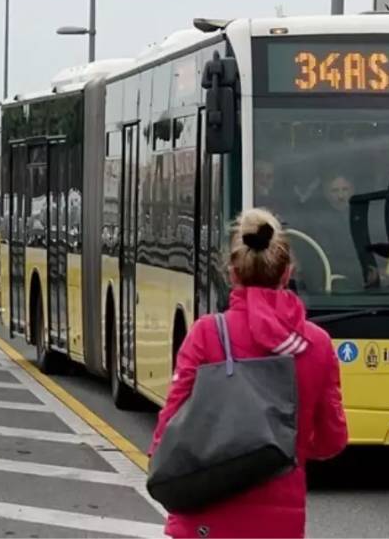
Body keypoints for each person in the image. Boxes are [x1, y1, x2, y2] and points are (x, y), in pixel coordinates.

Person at [149, 208, 349, 538]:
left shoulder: (206, 333)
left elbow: (169, 424)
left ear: (232, 273)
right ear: (287, 273)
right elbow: (332, 439)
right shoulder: (316, 344)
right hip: (278, 524)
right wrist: (283, 445)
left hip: (204, 514)